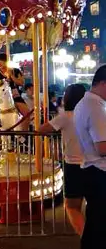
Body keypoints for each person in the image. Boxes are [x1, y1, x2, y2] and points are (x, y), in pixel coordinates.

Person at [74, 64, 106, 249]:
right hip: (99, 173)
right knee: (98, 234)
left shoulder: (86, 104)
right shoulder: (95, 106)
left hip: (93, 172)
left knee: (95, 233)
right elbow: (102, 147)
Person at [39, 83, 87, 235]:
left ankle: (86, 237)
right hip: (94, 164)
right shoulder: (94, 115)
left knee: (72, 206)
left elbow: (42, 129)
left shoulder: (65, 117)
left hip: (73, 164)